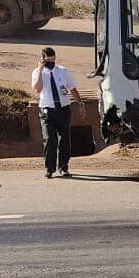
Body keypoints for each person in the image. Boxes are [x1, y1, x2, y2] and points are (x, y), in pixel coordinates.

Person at [31, 47, 85, 179]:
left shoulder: (62, 71)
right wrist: (39, 70)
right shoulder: (37, 72)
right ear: (42, 59)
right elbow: (37, 89)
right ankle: (49, 168)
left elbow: (72, 88)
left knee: (64, 139)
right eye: (48, 60)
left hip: (63, 109)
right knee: (50, 139)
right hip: (47, 110)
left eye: (53, 59)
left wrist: (80, 104)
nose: (51, 62)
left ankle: (63, 167)